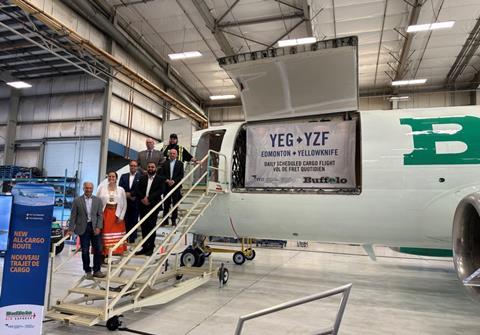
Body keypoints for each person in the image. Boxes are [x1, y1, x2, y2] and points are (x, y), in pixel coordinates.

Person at [68, 182, 105, 279]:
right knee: (85, 250)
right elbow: (73, 216)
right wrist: (70, 229)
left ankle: (97, 270)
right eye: (86, 188)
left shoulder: (98, 200)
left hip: (94, 227)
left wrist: (98, 227)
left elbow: (100, 215)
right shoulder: (77, 200)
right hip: (83, 228)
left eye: (90, 188)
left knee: (98, 249)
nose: (88, 190)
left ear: (93, 189)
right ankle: (87, 270)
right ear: (83, 188)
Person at [135, 162, 164, 256]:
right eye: (149, 167)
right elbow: (137, 190)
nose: (150, 168)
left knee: (151, 227)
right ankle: (144, 247)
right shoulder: (142, 178)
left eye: (152, 167)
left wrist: (149, 199)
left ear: (155, 168)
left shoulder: (160, 179)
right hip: (143, 205)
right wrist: (143, 198)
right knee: (143, 227)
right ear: (147, 168)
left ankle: (151, 248)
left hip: (153, 206)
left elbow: (160, 191)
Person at [96, 171, 127, 256]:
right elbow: (97, 201)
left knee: (116, 234)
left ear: (116, 178)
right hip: (105, 214)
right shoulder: (101, 188)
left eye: (113, 176)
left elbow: (124, 204)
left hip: (116, 214)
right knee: (105, 234)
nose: (111, 178)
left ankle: (116, 253)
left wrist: (121, 216)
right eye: (109, 176)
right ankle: (105, 253)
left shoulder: (121, 190)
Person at [119, 160, 142, 243]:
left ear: (137, 167)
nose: (133, 167)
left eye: (135, 166)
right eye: (131, 165)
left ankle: (132, 238)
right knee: (125, 220)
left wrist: (131, 194)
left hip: (135, 202)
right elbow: (120, 188)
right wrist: (127, 195)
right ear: (129, 166)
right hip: (124, 202)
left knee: (134, 220)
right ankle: (124, 238)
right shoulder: (123, 176)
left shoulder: (141, 177)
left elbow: (140, 189)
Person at [160, 148, 184, 226]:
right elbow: (162, 174)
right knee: (166, 204)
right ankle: (165, 220)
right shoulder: (165, 163)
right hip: (166, 186)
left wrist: (174, 181)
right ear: (169, 155)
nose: (172, 155)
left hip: (175, 186)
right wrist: (167, 180)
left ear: (176, 155)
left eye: (174, 153)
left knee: (175, 204)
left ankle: (173, 221)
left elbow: (181, 175)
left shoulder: (180, 164)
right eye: (171, 153)